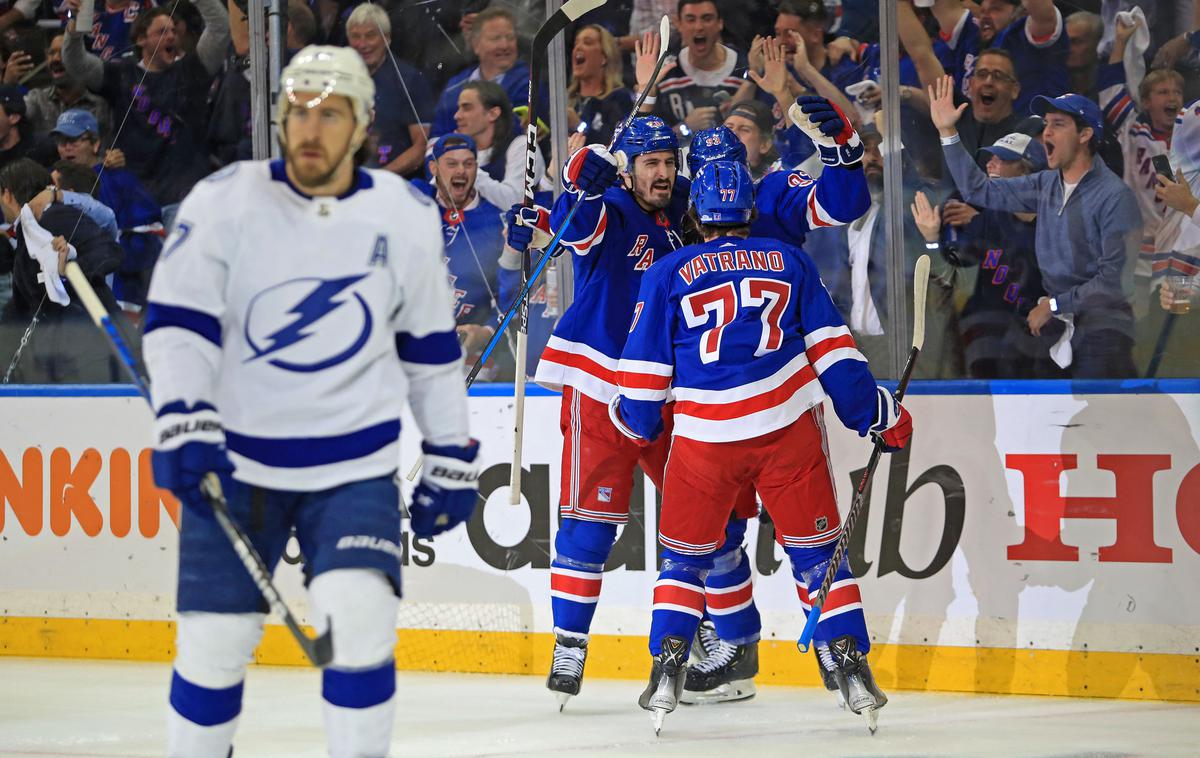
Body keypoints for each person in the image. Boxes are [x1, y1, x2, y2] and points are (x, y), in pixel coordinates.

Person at [142, 46, 480, 757]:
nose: (310, 127)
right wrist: (182, 416)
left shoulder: (402, 213)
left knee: (360, 623)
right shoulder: (225, 199)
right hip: (236, 463)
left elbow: (429, 351)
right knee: (212, 642)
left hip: (352, 466)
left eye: (330, 113)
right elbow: (178, 326)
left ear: (361, 126)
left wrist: (450, 455)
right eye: (298, 111)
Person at [609, 160, 910, 732]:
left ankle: (667, 666)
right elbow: (833, 351)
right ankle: (851, 667)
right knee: (819, 556)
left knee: (685, 560)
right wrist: (875, 413)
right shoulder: (790, 259)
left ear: (695, 213)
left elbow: (645, 376)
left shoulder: (670, 270)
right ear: (750, 210)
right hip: (785, 432)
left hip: (704, 440)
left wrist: (634, 421)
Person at [931, 76, 1142, 378]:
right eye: (1045, 124)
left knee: (1095, 414)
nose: (1046, 133)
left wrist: (1054, 304)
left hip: (1102, 324)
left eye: (1058, 124)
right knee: (1019, 383)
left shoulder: (1114, 197)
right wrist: (948, 132)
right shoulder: (1046, 185)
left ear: (1084, 135)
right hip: (1054, 319)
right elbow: (979, 191)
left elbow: (1111, 282)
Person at [913, 132, 1058, 378]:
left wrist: (1052, 305)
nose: (990, 164)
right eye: (990, 158)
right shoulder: (986, 220)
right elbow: (949, 278)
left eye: (1001, 159)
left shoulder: (1057, 227)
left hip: (1041, 342)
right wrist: (932, 240)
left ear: (1026, 173)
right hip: (986, 335)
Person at [62, 0, 231, 207]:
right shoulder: (121, 74)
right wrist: (74, 27)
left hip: (185, 197)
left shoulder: (193, 70)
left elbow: (220, 28)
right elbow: (75, 63)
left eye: (173, 31)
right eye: (161, 32)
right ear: (141, 40)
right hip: (136, 199)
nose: (171, 36)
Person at [0, 158, 127, 383]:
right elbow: (20, 308)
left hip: (92, 347)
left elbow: (108, 251)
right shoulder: (26, 233)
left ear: (7, 194)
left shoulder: (57, 216)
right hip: (59, 356)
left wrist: (71, 267)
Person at [1100, 15, 1183, 292]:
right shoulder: (1135, 132)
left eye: (1176, 92)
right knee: (1140, 323)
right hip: (1138, 253)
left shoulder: (1193, 137)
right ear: (1146, 102)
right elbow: (1110, 92)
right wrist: (1121, 42)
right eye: (1162, 92)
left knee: (1180, 320)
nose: (1172, 97)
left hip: (1184, 251)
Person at [53, 108, 163, 309]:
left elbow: (150, 237)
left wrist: (109, 260)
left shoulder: (121, 181)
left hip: (121, 294)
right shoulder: (52, 184)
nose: (67, 147)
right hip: (72, 296)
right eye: (61, 141)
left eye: (75, 140)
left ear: (95, 144)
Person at [413, 133, 507, 365]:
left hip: (468, 360)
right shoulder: (415, 205)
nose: (461, 172)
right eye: (451, 164)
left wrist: (486, 331)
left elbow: (512, 291)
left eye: (468, 164)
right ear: (434, 167)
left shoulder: (496, 222)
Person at [346, 2, 432, 177]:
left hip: (397, 183)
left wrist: (382, 179)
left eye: (370, 36)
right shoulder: (339, 80)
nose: (362, 44)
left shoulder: (409, 80)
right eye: (356, 36)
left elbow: (421, 145)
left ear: (387, 38)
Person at [644, 0, 747, 138]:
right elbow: (649, 139)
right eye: (691, 19)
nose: (699, 27)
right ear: (678, 24)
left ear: (720, 23)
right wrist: (685, 128)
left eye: (707, 18)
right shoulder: (665, 73)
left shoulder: (744, 68)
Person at [430, 5, 530, 139]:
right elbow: (436, 136)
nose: (505, 45)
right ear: (476, 45)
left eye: (510, 37)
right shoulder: (454, 87)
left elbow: (517, 131)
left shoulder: (530, 82)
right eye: (496, 39)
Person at [453, 79, 544, 211]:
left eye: (466, 108)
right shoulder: (461, 150)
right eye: (458, 108)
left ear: (493, 113)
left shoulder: (522, 146)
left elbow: (515, 202)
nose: (457, 115)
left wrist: (467, 170)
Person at [23, 31, 112, 140]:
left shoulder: (100, 106)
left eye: (64, 52)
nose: (55, 58)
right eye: (51, 53)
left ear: (83, 60)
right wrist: (8, 85)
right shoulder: (37, 99)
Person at [567, 24, 635, 148]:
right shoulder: (566, 100)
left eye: (587, 42)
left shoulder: (619, 99)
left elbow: (615, 147)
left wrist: (579, 126)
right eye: (576, 43)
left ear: (604, 57)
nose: (578, 47)